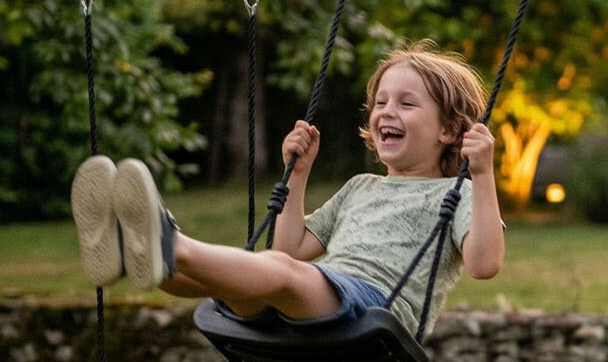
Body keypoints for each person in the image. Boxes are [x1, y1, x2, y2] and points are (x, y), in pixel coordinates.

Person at [71, 43, 504, 333]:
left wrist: (481, 176)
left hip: (371, 310)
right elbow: (290, 247)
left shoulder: (457, 194)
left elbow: (484, 264)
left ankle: (169, 242)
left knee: (274, 274)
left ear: (449, 128)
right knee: (235, 280)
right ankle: (130, 253)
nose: (387, 111)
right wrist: (297, 177)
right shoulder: (361, 188)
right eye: (381, 102)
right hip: (316, 297)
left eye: (407, 104)